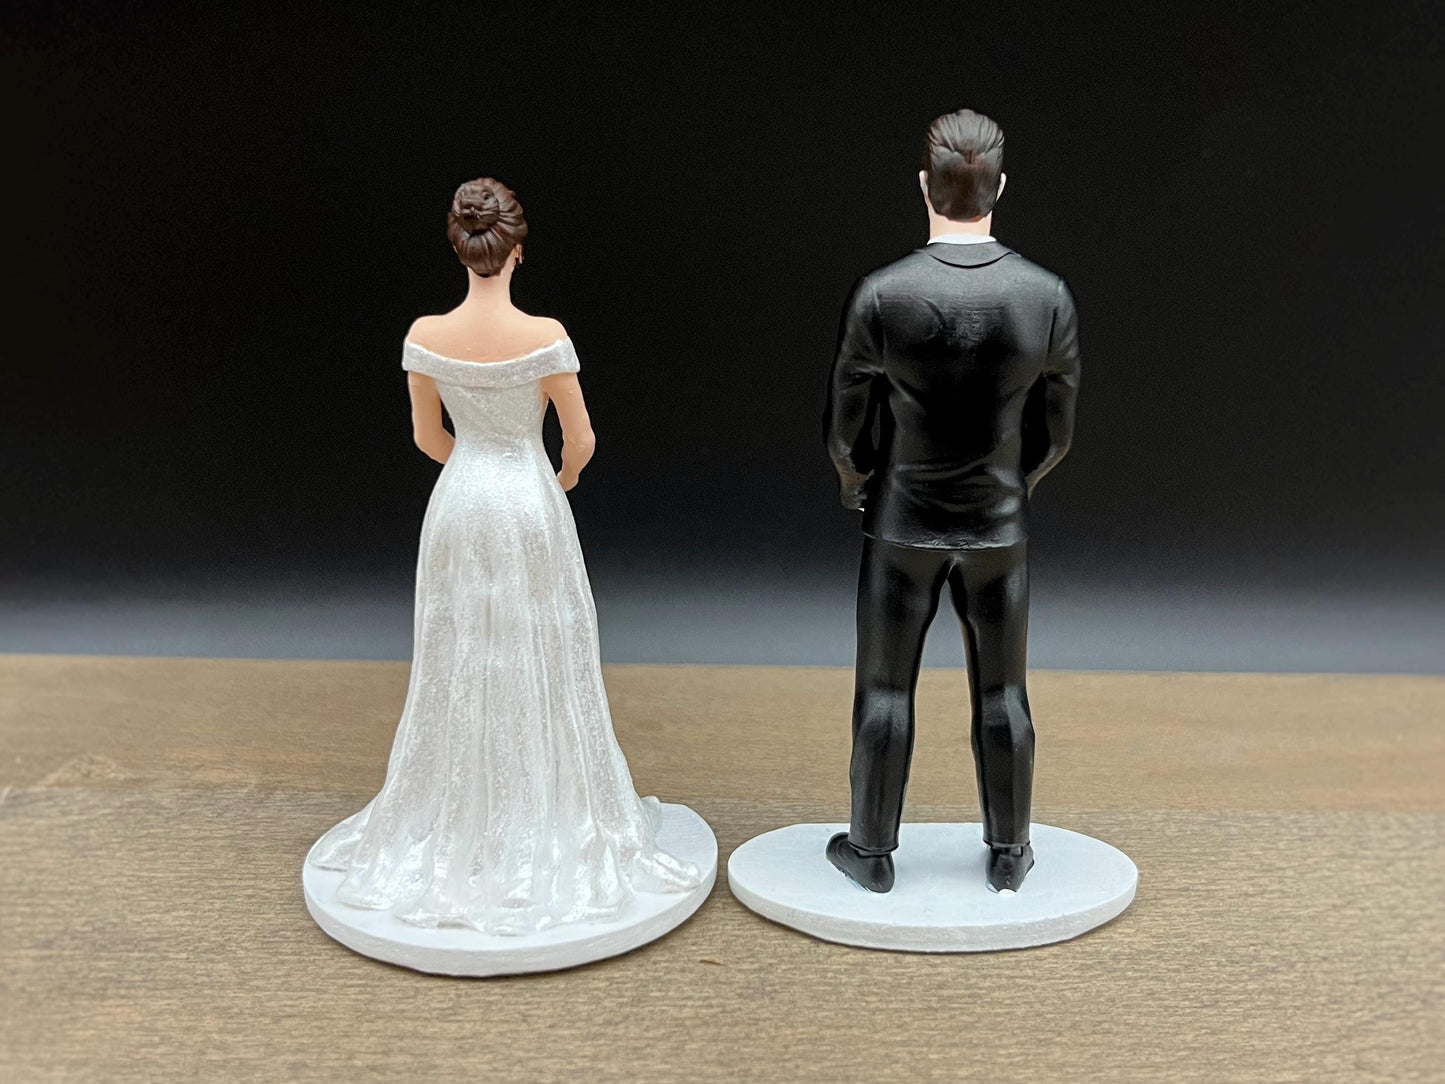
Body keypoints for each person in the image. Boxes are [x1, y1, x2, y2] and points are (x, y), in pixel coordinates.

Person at [308, 178, 700, 933]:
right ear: (516, 251)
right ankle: (542, 809)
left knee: (461, 648)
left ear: (459, 249)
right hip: (526, 499)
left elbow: (427, 437)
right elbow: (581, 440)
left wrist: (473, 466)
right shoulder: (545, 336)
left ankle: (464, 814)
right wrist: (557, 477)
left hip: (460, 501)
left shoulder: (425, 336)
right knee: (538, 646)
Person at [823, 110, 1081, 894]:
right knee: (1004, 693)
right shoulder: (1046, 296)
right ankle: (1009, 851)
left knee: (884, 691)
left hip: (902, 521)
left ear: (923, 186)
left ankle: (871, 852)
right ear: (999, 188)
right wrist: (1013, 488)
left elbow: (843, 432)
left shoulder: (882, 293)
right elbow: (1057, 434)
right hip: (997, 527)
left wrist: (861, 486)